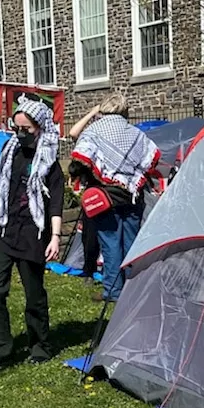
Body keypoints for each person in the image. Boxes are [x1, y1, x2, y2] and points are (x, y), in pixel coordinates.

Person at [0, 97, 64, 373]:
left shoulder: (49, 160)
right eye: (16, 128)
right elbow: (7, 176)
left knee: (34, 294)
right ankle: (2, 349)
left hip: (33, 231)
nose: (20, 134)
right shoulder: (10, 148)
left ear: (40, 128)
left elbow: (55, 202)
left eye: (26, 129)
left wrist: (55, 237)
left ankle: (40, 345)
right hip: (5, 228)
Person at [68, 94, 159, 303]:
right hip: (132, 196)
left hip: (105, 197)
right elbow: (152, 158)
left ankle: (113, 291)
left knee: (110, 245)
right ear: (124, 110)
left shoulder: (94, 131)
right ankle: (132, 288)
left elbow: (80, 156)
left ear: (103, 109)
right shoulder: (137, 134)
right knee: (131, 244)